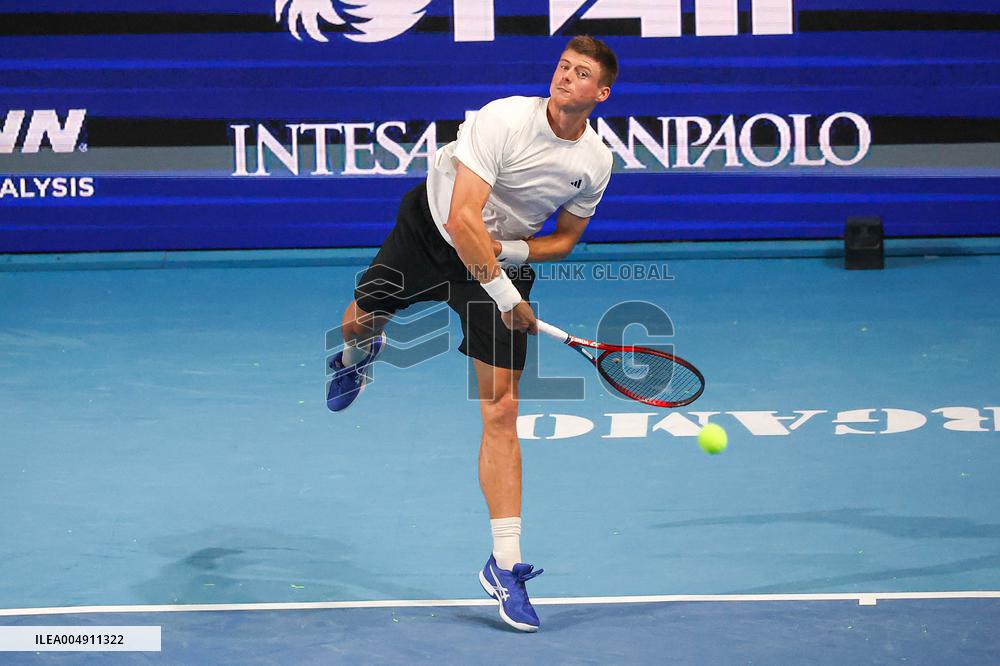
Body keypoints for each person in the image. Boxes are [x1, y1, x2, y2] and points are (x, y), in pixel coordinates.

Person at [327, 35, 617, 632]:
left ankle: (504, 564)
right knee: (355, 321)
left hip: (498, 259)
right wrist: (510, 298)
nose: (565, 77)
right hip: (431, 236)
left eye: (580, 73)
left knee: (502, 408)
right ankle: (362, 351)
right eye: (563, 66)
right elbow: (463, 219)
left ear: (600, 93)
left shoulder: (594, 162)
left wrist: (508, 257)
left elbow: (563, 239)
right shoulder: (504, 119)